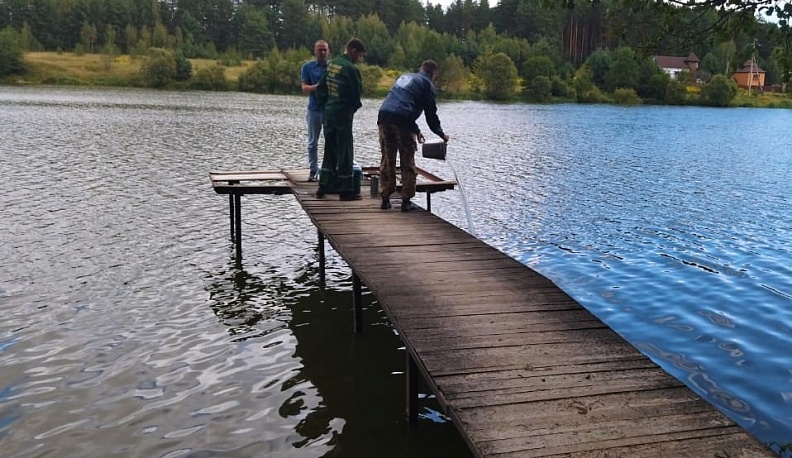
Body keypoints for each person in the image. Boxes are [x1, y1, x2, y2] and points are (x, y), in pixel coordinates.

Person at [377, 60, 450, 211]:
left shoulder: (405, 77)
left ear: (420, 69)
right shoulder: (427, 85)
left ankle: (385, 198)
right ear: (433, 74)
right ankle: (406, 200)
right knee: (407, 158)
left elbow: (399, 103)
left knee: (387, 158)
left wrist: (416, 130)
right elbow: (431, 115)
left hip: (384, 115)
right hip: (402, 118)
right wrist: (441, 133)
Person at [315, 38, 366, 201]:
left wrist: (326, 105)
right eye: (359, 56)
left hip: (328, 112)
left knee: (329, 148)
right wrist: (351, 109)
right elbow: (355, 95)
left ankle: (323, 185)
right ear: (353, 51)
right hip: (343, 114)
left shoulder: (332, 64)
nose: (359, 59)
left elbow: (321, 88)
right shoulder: (351, 69)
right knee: (345, 150)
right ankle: (346, 190)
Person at [300, 39, 329, 182]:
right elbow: (304, 87)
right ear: (315, 51)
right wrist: (318, 87)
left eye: (325, 50)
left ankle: (328, 170)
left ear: (328, 51)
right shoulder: (307, 67)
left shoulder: (332, 67)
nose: (323, 52)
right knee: (312, 142)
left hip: (330, 110)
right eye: (320, 50)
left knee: (331, 141)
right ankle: (313, 170)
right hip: (314, 109)